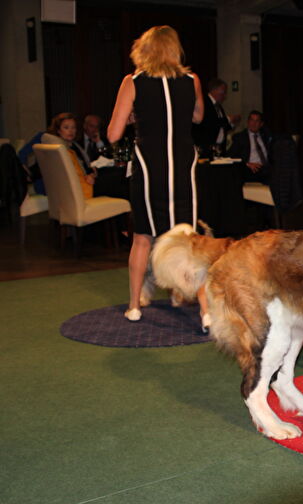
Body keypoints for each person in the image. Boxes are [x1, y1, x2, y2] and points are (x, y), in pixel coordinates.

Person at [107, 25, 203, 322]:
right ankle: (204, 310)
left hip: (150, 168)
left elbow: (112, 134)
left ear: (144, 49)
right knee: (187, 236)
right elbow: (198, 116)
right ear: (174, 49)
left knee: (143, 238)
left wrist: (138, 116)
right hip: (183, 166)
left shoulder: (132, 82)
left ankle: (135, 305)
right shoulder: (192, 80)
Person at [42, 113, 96, 199]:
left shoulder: (73, 145)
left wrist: (91, 174)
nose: (71, 131)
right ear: (58, 130)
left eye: (73, 127)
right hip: (81, 187)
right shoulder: (62, 149)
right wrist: (88, 176)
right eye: (66, 128)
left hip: (86, 180)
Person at [192, 78, 239, 157]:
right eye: (223, 91)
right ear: (215, 90)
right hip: (206, 149)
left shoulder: (218, 106)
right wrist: (228, 119)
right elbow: (209, 122)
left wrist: (232, 123)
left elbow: (221, 126)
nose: (225, 95)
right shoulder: (205, 102)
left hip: (218, 149)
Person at [228, 110, 272, 184]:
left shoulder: (266, 136)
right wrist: (247, 164)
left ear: (261, 124)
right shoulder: (240, 137)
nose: (254, 123)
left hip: (267, 168)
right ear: (248, 122)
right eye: (251, 120)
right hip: (250, 169)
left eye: (257, 121)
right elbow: (231, 156)